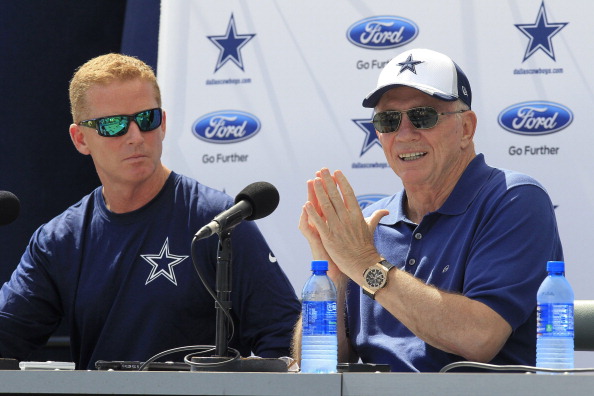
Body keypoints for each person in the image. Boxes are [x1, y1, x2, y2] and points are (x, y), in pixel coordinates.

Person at [0, 53, 301, 370]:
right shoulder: (60, 240)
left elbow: (283, 343)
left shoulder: (220, 222)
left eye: (146, 119)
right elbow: (7, 336)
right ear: (80, 139)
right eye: (113, 125)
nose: (134, 137)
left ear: (164, 124)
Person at [294, 48, 563, 372]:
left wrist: (364, 264)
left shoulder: (513, 198)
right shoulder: (369, 226)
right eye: (388, 120)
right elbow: (316, 365)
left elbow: (479, 337)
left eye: (423, 116)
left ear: (466, 128)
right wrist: (334, 276)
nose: (405, 134)